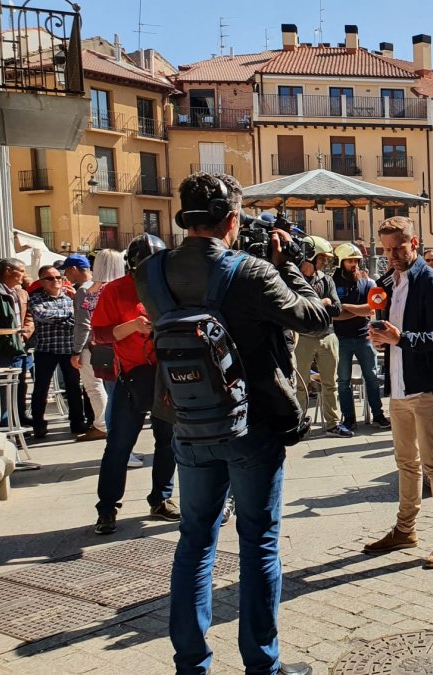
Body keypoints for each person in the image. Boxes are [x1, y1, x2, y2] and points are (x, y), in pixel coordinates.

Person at [137, 174, 326, 675]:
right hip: (253, 425)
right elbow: (315, 319)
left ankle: (191, 665)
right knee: (258, 540)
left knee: (195, 539)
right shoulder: (254, 272)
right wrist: (291, 267)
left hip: (188, 421)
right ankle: (262, 665)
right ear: (232, 219)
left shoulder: (150, 271)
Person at [362, 216, 433, 569]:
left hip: (426, 384)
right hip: (399, 383)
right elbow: (391, 330)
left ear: (414, 242)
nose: (392, 256)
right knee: (406, 462)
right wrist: (381, 338)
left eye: (398, 248)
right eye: (386, 250)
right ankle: (405, 530)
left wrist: (400, 338)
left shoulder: (431, 280)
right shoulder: (390, 282)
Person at [92, 235, 180, 534]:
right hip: (131, 376)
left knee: (167, 442)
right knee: (118, 445)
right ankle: (107, 508)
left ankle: (161, 499)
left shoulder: (170, 288)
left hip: (165, 377)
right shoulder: (115, 290)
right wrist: (131, 326)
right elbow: (100, 335)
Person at [293, 236, 351, 438]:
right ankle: (298, 425)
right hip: (303, 337)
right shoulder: (294, 280)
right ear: (311, 256)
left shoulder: (326, 280)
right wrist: (321, 302)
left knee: (330, 383)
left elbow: (337, 308)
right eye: (322, 258)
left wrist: (320, 304)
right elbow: (294, 308)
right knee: (300, 384)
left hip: (327, 336)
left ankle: (333, 424)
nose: (325, 262)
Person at [332, 242, 392, 430]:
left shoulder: (368, 283)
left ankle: (378, 415)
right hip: (340, 339)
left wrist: (346, 307)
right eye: (350, 260)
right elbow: (334, 313)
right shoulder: (332, 283)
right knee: (343, 381)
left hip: (364, 338)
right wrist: (359, 311)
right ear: (341, 261)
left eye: (357, 260)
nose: (354, 264)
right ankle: (348, 418)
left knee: (372, 378)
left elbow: (372, 309)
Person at [29, 263, 85, 439]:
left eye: (58, 277)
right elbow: (41, 315)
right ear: (42, 281)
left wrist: (64, 319)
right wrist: (67, 318)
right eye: (50, 278)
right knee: (41, 388)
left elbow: (78, 319)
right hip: (46, 349)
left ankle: (77, 422)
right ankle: (38, 423)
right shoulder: (36, 299)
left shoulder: (71, 298)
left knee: (74, 388)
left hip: (69, 349)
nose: (55, 281)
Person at [64, 253, 109, 443]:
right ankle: (104, 423)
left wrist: (76, 351)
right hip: (107, 342)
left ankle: (102, 425)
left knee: (93, 386)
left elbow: (83, 324)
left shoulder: (84, 290)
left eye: (66, 271)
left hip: (89, 345)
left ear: (74, 269)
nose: (65, 276)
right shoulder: (105, 286)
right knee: (105, 386)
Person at [0, 258, 29, 428]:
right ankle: (5, 425)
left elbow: (26, 315)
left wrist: (27, 329)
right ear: (8, 271)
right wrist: (11, 334)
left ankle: (15, 421)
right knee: (4, 392)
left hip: (19, 345)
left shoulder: (18, 292)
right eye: (21, 271)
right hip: (4, 348)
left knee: (17, 388)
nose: (24, 275)